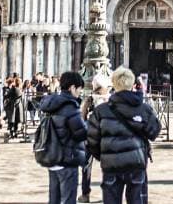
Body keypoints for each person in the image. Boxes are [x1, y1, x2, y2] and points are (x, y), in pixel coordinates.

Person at [86, 67, 161, 204]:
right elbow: (154, 132)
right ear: (133, 85)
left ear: (113, 85)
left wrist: (105, 155)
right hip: (136, 163)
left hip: (111, 166)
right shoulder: (144, 109)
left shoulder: (101, 111)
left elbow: (91, 140)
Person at [39, 71, 88, 204]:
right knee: (68, 200)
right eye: (78, 89)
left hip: (53, 158)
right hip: (67, 160)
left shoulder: (52, 104)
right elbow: (81, 134)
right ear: (72, 87)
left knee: (54, 200)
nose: (79, 92)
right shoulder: (70, 107)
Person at [79, 74, 111, 203]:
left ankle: (85, 194)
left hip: (90, 137)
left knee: (86, 166)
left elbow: (82, 117)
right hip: (106, 137)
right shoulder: (110, 100)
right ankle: (108, 194)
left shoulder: (90, 99)